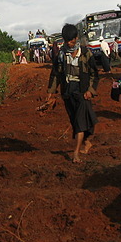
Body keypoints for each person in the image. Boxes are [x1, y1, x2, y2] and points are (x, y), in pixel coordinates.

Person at [43, 23, 100, 163]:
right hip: (68, 91)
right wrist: (51, 92)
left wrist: (90, 91)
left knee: (80, 122)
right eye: (67, 40)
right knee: (75, 120)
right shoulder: (61, 54)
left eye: (71, 40)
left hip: (82, 91)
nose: (69, 43)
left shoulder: (86, 53)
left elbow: (94, 74)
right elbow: (55, 74)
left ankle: (76, 153)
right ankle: (87, 142)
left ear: (76, 38)